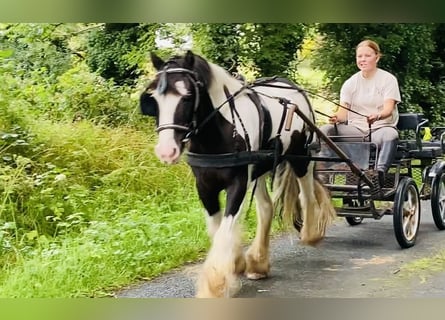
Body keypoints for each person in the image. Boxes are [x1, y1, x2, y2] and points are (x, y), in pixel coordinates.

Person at [318, 39, 401, 187]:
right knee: (326, 129)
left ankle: (378, 173)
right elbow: (343, 113)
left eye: (367, 56)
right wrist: (336, 117)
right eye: (359, 56)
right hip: (355, 131)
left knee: (391, 134)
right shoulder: (350, 83)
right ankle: (323, 170)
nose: (362, 59)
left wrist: (377, 116)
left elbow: (388, 110)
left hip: (379, 129)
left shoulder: (388, 79)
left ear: (377, 57)